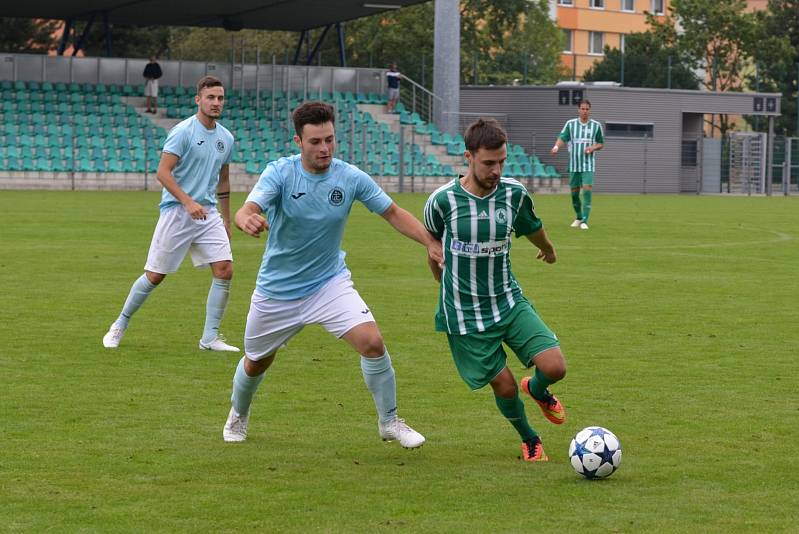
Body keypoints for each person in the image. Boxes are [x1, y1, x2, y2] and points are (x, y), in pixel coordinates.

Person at [222, 101, 442, 447]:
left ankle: (389, 421)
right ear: (298, 143)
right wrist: (246, 217)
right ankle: (239, 413)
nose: (324, 148)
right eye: (315, 142)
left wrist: (430, 242)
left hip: (329, 283)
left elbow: (393, 212)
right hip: (277, 290)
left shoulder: (349, 177)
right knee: (256, 361)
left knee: (372, 343)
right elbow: (248, 208)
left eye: (329, 139)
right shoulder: (280, 173)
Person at [424, 118, 567, 462]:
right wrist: (446, 287)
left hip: (508, 300)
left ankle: (535, 388)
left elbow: (531, 225)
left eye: (502, 161)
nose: (496, 169)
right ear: (469, 157)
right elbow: (431, 242)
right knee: (502, 384)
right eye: (489, 162)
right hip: (465, 316)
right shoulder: (442, 201)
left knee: (555, 367)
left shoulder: (513, 193)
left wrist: (547, 248)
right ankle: (530, 438)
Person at [102, 76, 239, 353]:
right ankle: (119, 323)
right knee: (155, 276)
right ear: (197, 99)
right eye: (210, 97)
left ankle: (210, 338)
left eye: (220, 98)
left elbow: (223, 181)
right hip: (177, 212)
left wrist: (226, 219)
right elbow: (162, 173)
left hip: (208, 212)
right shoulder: (182, 131)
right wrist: (187, 202)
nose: (216, 103)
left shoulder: (226, 138)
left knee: (224, 269)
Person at [551, 100, 604, 230]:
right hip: (574, 165)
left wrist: (592, 148)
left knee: (586, 190)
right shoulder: (570, 124)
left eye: (587, 109)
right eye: (582, 109)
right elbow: (562, 137)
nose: (585, 111)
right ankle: (579, 217)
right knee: (574, 194)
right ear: (578, 110)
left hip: (588, 165)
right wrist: (556, 147)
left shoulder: (596, 126)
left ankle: (585, 220)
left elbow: (601, 143)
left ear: (590, 110)